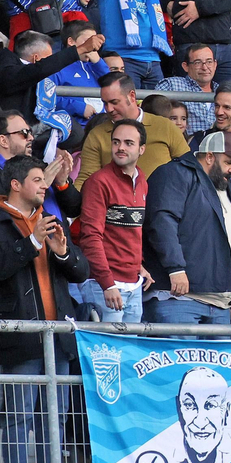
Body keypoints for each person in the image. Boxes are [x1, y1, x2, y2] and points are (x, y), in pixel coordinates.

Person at [0, 153, 89, 463]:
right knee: (17, 416)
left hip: (59, 338)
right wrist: (31, 242)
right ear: (16, 184)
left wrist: (62, 252)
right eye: (39, 180)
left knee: (55, 418)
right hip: (20, 337)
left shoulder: (54, 220)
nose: (45, 186)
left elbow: (82, 272)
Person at [142, 131, 231, 324]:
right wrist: (175, 268)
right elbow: (162, 221)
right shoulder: (175, 173)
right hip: (179, 299)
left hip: (220, 305)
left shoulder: (226, 187)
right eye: (229, 162)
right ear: (209, 156)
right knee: (179, 355)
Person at [71, 118, 149, 323]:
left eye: (128, 143)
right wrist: (107, 283)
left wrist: (138, 264)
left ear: (142, 149)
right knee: (108, 353)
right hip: (104, 284)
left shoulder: (142, 180)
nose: (120, 148)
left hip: (133, 283)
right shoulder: (98, 182)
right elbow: (90, 237)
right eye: (116, 142)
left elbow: (134, 231)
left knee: (130, 352)